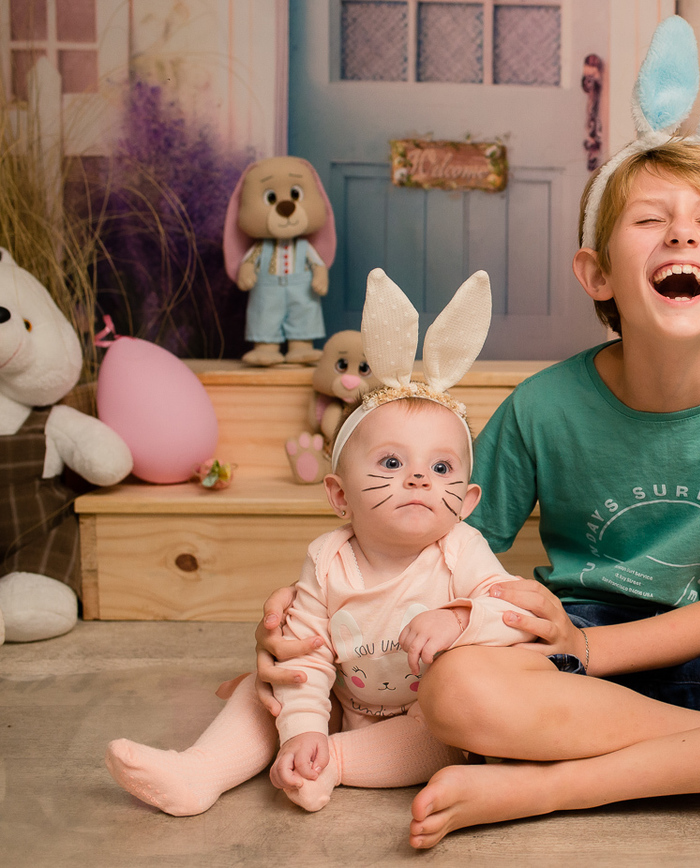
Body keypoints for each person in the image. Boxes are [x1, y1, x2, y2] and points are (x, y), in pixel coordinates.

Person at [255, 18, 700, 849]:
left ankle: (558, 787)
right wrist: (314, 616)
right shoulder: (543, 406)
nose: (681, 234)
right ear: (597, 273)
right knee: (457, 693)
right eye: (650, 220)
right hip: (565, 650)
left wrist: (593, 652)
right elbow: (422, 549)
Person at [106, 326, 534, 816]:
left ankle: (331, 764)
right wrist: (302, 729)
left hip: (426, 717)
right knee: (264, 689)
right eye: (391, 462)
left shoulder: (462, 549)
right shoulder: (326, 559)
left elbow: (515, 614)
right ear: (339, 495)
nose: (418, 477)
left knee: (446, 731)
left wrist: (460, 619)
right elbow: (305, 653)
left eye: (441, 468)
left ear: (467, 502)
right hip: (342, 703)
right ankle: (201, 771)